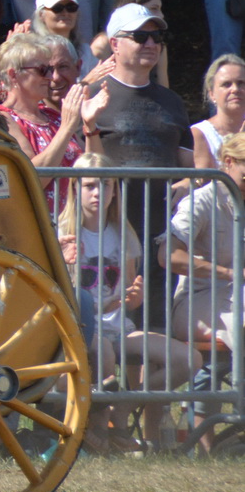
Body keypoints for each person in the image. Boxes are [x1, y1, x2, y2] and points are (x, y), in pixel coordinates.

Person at [59, 163, 198, 452]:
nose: (99, 193)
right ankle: (101, 433)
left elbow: (124, 294)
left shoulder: (123, 232)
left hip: (119, 328)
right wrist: (66, 265)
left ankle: (120, 411)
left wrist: (134, 299)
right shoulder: (61, 233)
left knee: (189, 359)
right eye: (90, 186)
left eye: (107, 185)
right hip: (79, 330)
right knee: (103, 350)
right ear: (75, 188)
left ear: (115, 191)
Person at [84, 3, 192, 307]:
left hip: (162, 229)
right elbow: (82, 163)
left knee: (159, 317)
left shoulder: (171, 101)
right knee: (114, 314)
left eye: (157, 37)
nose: (151, 44)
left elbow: (189, 165)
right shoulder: (92, 94)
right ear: (115, 44)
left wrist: (188, 182)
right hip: (110, 225)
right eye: (140, 36)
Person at [164, 132, 242, 389]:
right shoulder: (202, 200)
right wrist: (229, 274)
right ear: (228, 161)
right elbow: (168, 255)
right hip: (197, 301)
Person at [0, 32, 85, 179]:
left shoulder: (52, 116)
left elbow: (94, 166)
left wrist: (91, 127)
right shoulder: (1, 119)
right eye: (42, 70)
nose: (51, 77)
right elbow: (30, 178)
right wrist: (66, 129)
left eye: (48, 70)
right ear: (13, 75)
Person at [29, 0, 92, 79]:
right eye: (58, 8)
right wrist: (89, 81)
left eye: (71, 7)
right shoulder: (33, 51)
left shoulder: (85, 51)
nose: (65, 13)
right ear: (41, 15)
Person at [191, 54, 245, 169]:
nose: (235, 89)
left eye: (241, 83)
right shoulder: (200, 134)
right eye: (226, 84)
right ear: (212, 94)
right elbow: (202, 180)